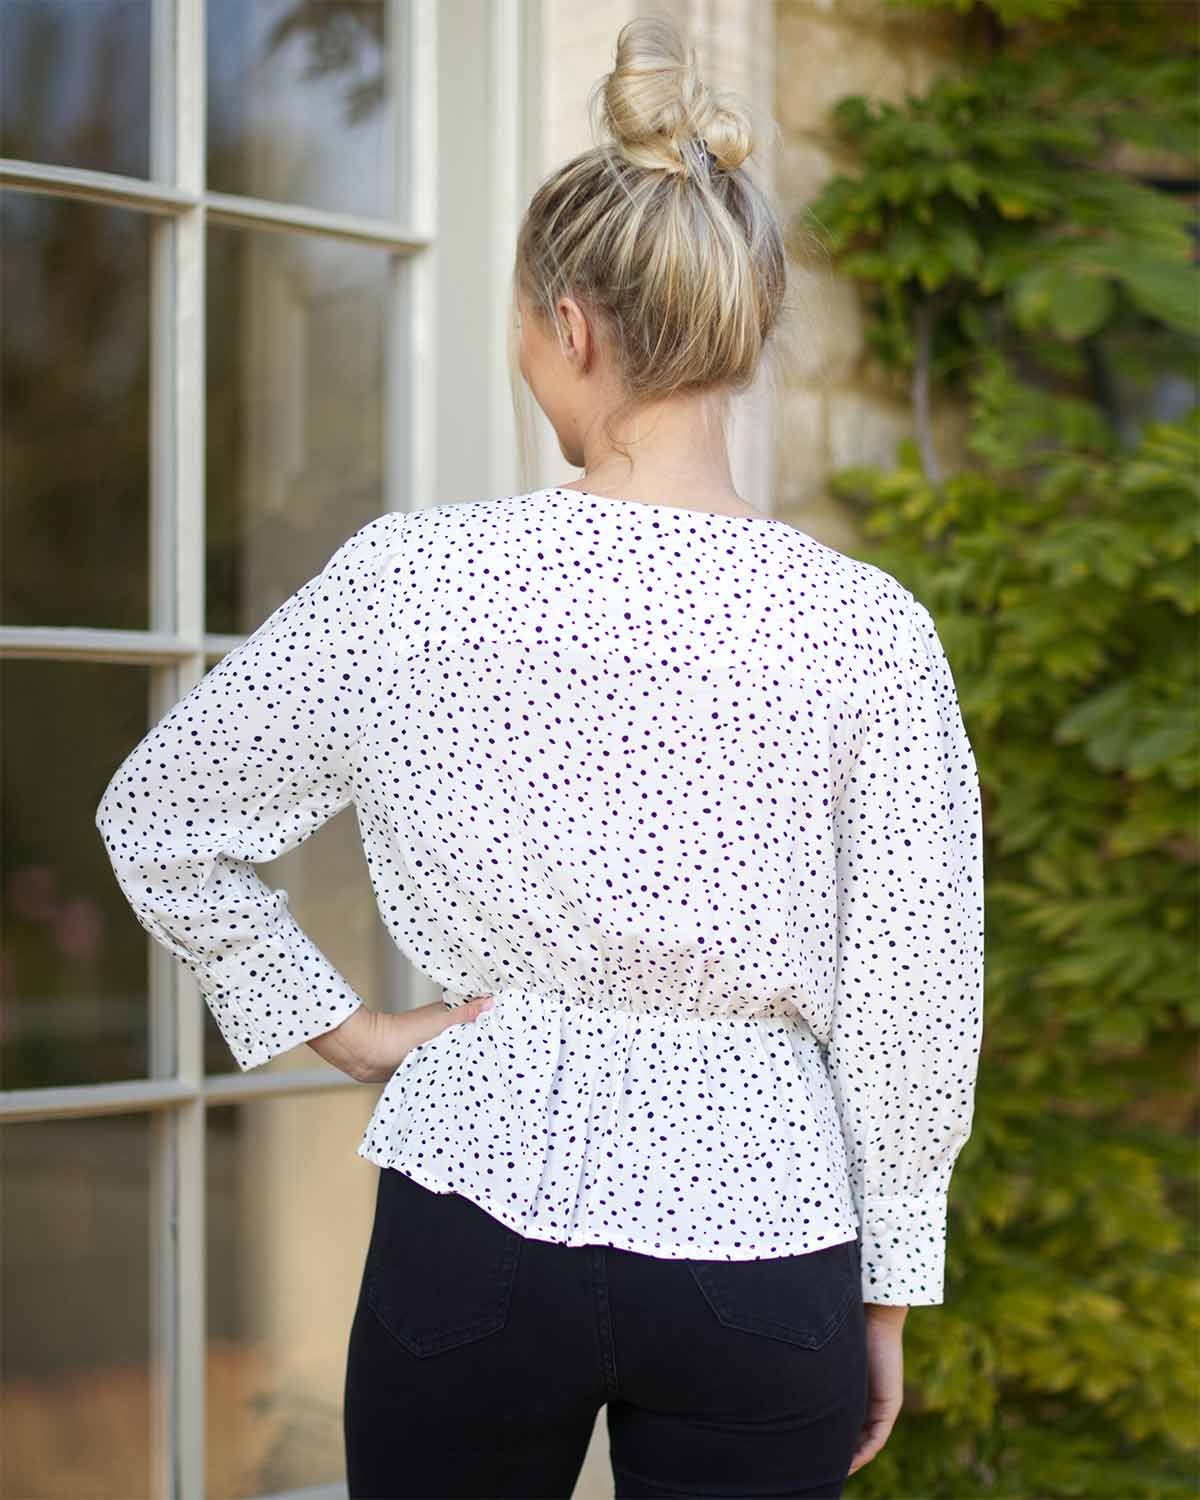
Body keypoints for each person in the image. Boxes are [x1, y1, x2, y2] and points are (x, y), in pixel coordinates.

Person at [95, 15, 985, 1499]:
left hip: (474, 1205)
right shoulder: (867, 631)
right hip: (765, 1243)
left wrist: (350, 1030)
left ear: (570, 325)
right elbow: (918, 989)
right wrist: (887, 1285)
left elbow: (160, 817)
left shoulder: (409, 581)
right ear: (741, 332)